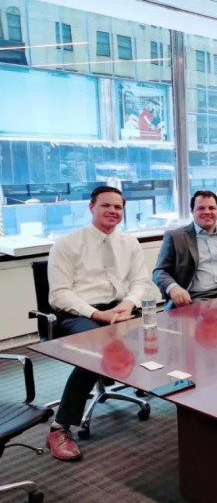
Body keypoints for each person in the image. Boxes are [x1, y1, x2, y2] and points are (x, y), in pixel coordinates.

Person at [45, 186, 152, 462]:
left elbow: (140, 282)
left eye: (118, 207)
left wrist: (127, 304)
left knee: (165, 331)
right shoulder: (67, 244)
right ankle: (60, 427)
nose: (113, 211)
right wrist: (96, 314)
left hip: (120, 308)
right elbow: (58, 294)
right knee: (99, 346)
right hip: (79, 314)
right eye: (106, 206)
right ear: (91, 207)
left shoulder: (130, 243)